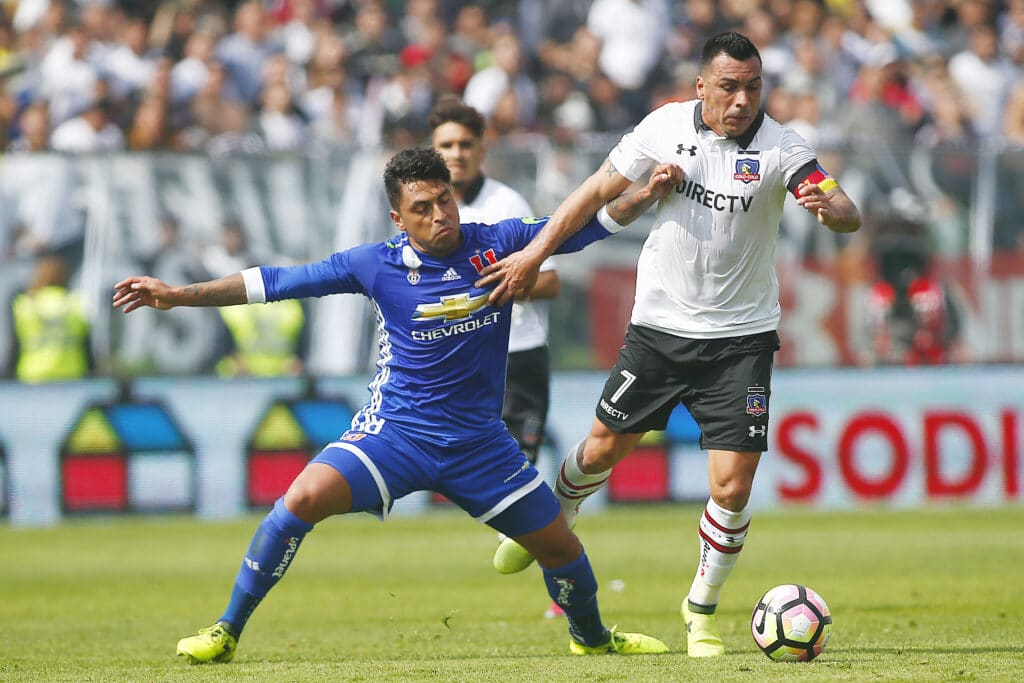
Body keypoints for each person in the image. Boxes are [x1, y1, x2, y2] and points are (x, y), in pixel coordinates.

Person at [112, 147, 680, 663]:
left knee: (561, 545)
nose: (440, 216)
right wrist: (179, 295)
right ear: (398, 218)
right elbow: (277, 281)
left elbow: (584, 227)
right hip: (395, 435)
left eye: (444, 200)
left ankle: (593, 639)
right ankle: (226, 630)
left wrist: (646, 195)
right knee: (301, 497)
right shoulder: (374, 264)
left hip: (478, 443)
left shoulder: (497, 241)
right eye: (423, 208)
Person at [478, 32, 861, 658]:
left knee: (732, 486)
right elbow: (593, 194)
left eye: (753, 87)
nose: (743, 100)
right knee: (602, 449)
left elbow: (844, 207)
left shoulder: (783, 146)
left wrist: (832, 208)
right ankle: (556, 516)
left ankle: (701, 612)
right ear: (701, 88)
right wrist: (532, 254)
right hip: (660, 330)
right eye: (730, 87)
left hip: (741, 340)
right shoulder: (661, 127)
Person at [428, 96, 564, 618]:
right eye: (446, 145)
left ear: (482, 148)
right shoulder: (422, 210)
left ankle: (563, 589)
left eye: (465, 144)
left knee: (523, 482)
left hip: (517, 358)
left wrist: (497, 286)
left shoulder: (506, 204)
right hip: (455, 366)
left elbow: (548, 281)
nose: (457, 154)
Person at [12, 255, 91, 383]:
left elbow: (14, 344)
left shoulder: (25, 304)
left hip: (33, 374)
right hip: (71, 373)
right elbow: (86, 343)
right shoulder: (76, 302)